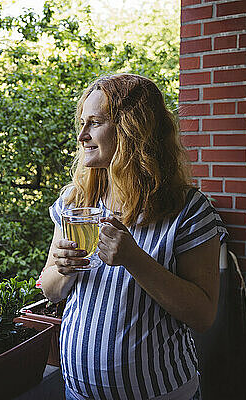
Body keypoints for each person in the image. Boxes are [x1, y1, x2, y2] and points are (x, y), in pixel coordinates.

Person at [38, 73, 227, 400]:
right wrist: (62, 269)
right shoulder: (74, 202)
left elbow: (203, 315)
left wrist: (134, 259)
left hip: (162, 394)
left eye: (94, 122)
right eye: (82, 123)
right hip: (79, 394)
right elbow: (51, 291)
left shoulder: (188, 209)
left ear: (132, 128)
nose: (82, 135)